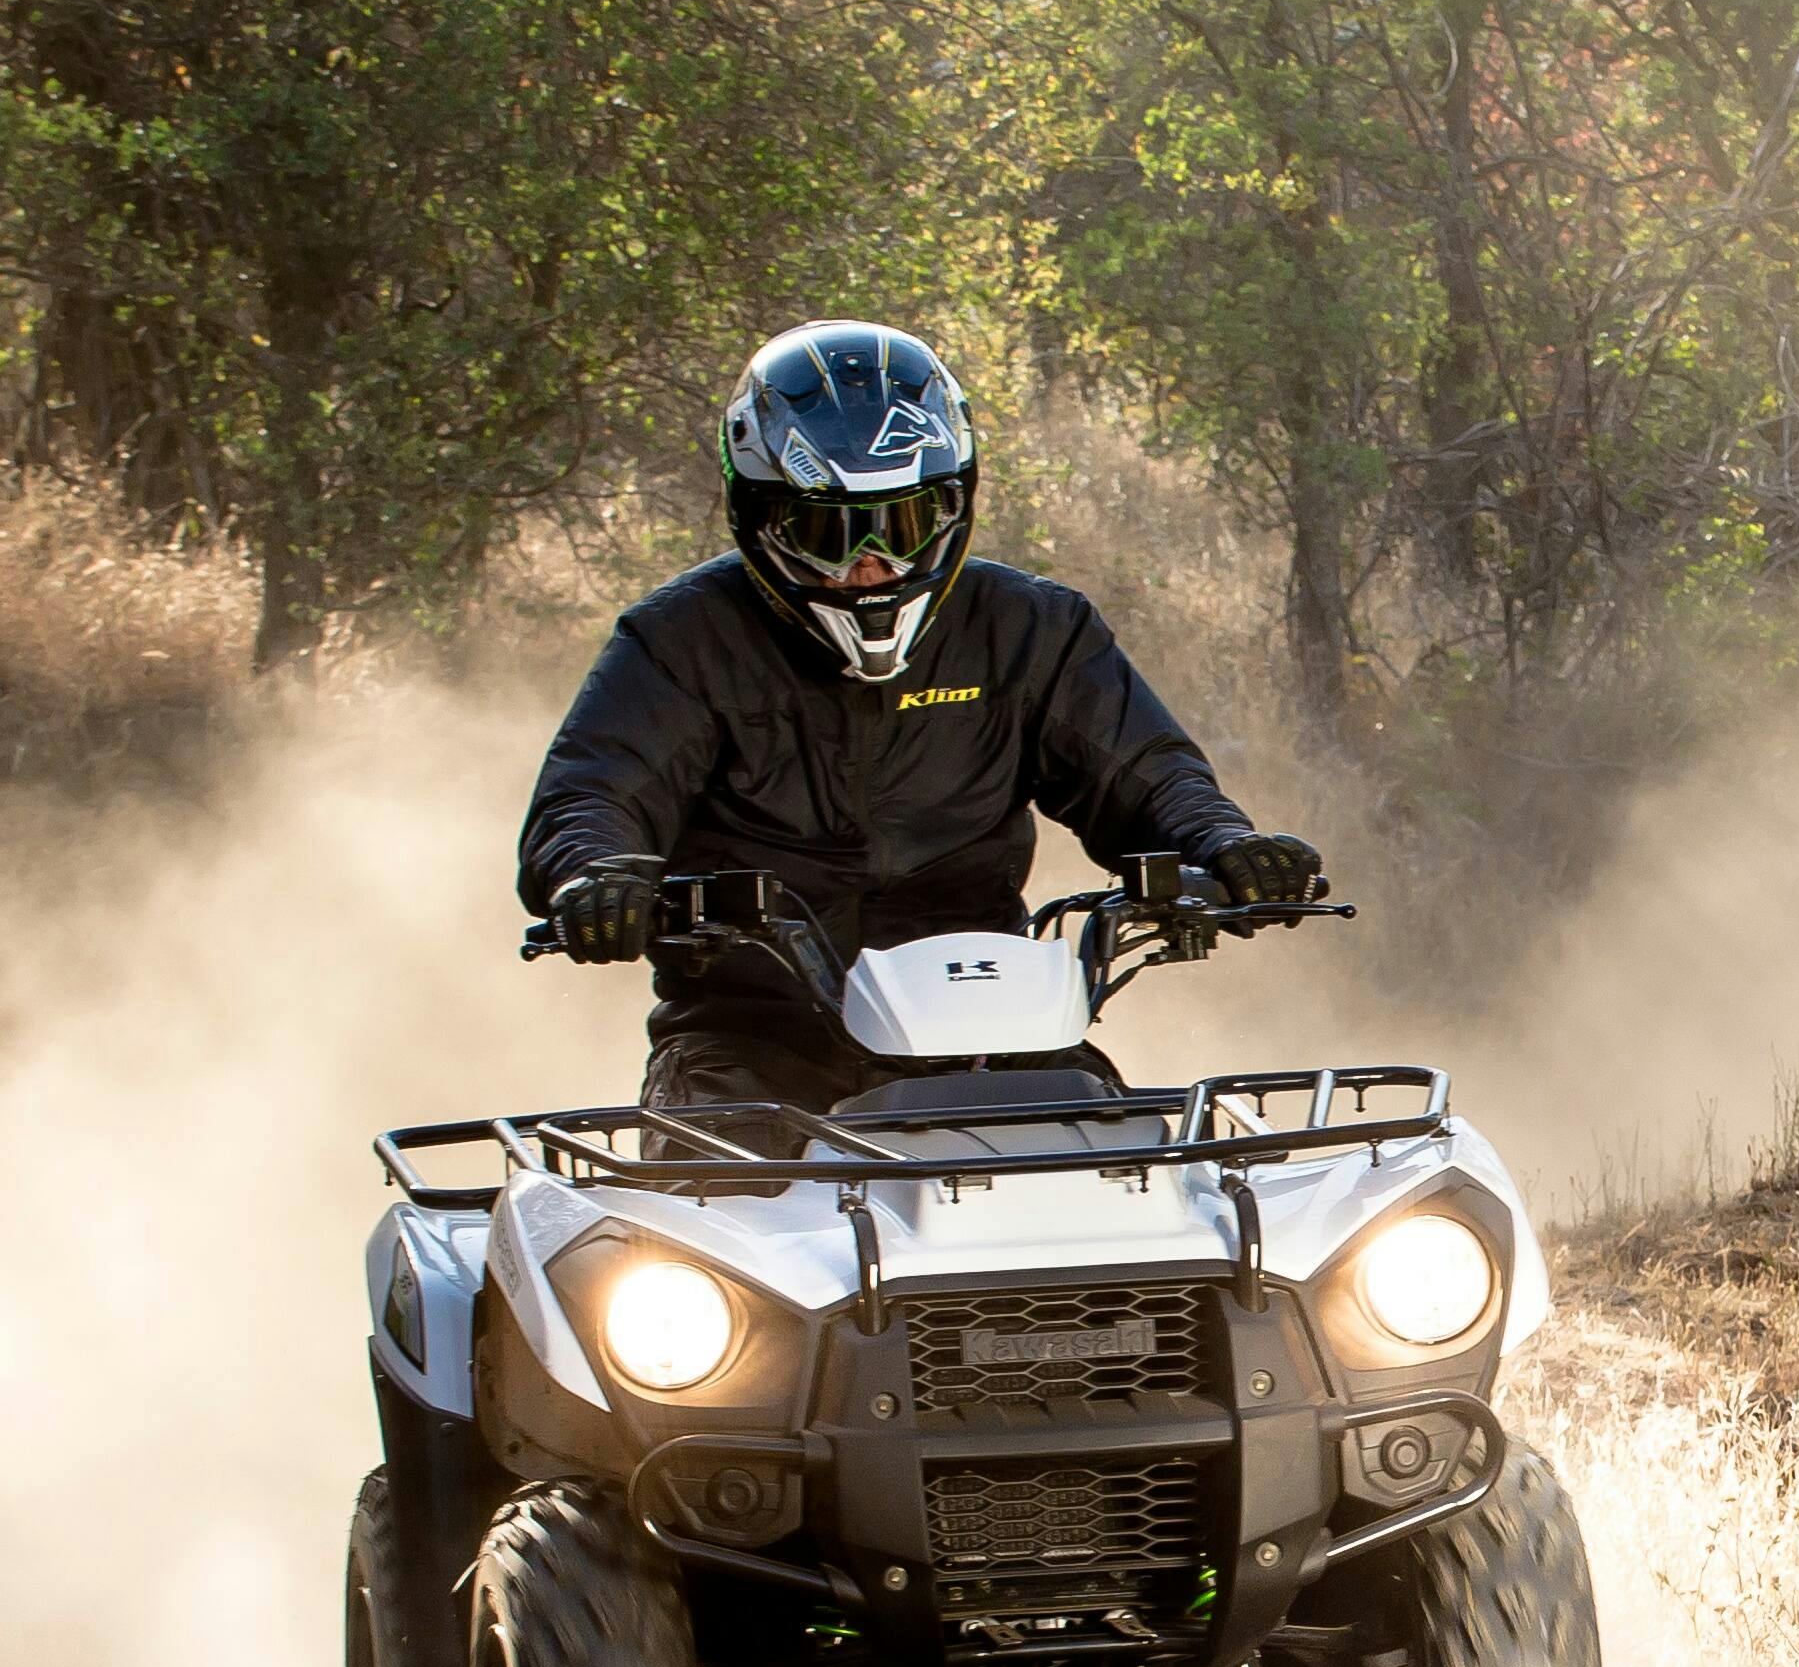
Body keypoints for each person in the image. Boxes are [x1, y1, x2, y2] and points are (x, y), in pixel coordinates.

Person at [518, 320, 1323, 1118]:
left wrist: (1226, 844)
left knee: (1136, 1185)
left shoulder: (1030, 630)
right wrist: (596, 876)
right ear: (759, 514)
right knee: (702, 1212)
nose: (870, 563)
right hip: (752, 1041)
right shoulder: (679, 642)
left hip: (999, 1024)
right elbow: (594, 796)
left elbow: (1147, 778)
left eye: (901, 525)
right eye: (831, 532)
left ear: (955, 507)